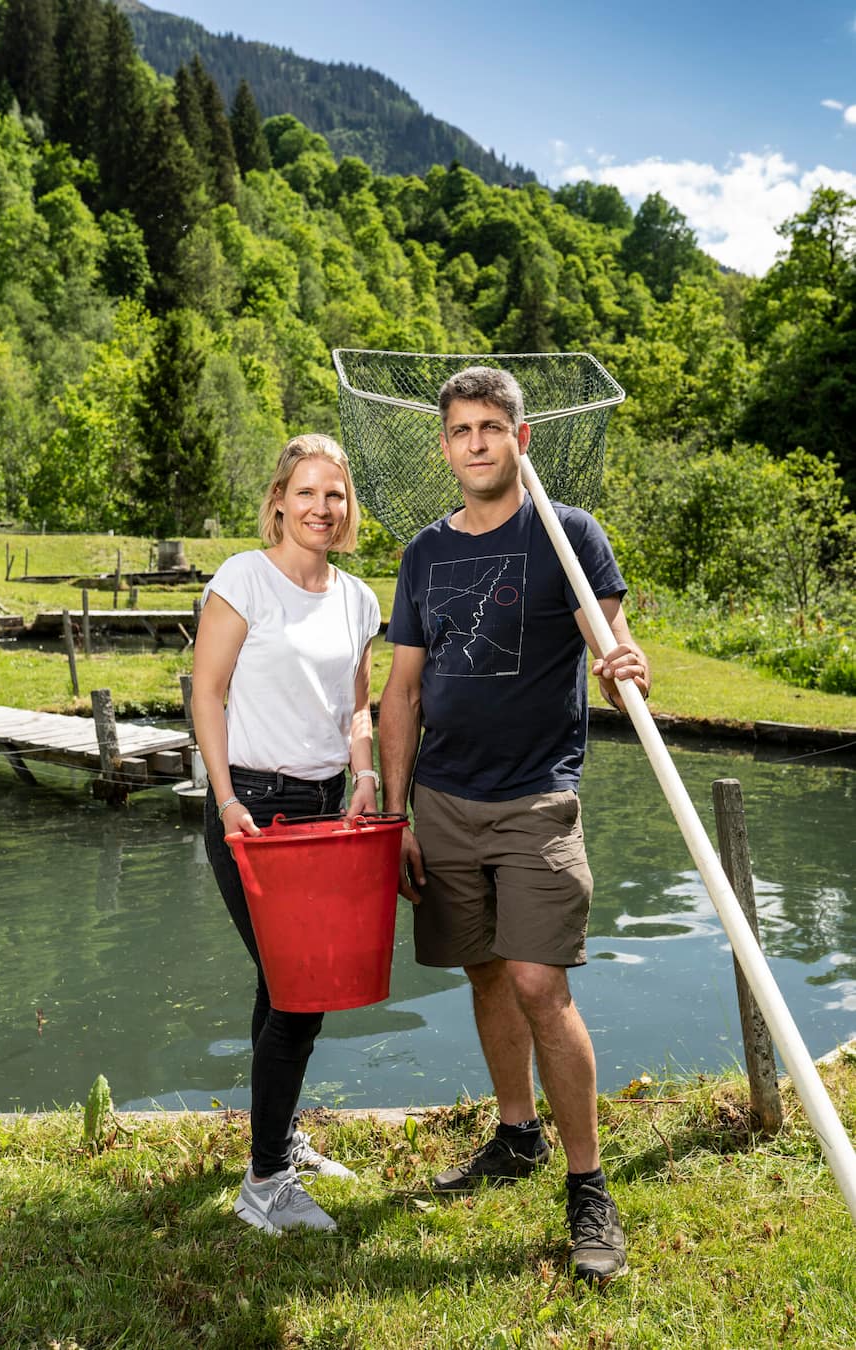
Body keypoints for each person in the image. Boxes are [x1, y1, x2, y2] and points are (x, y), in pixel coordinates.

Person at [378, 366, 649, 1284]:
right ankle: (514, 1136)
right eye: (461, 430)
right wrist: (394, 812)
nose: (477, 442)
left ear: (520, 439)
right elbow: (402, 692)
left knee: (540, 982)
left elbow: (608, 638)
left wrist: (624, 661)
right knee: (486, 971)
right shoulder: (423, 553)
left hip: (537, 796)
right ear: (445, 447)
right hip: (443, 800)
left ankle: (588, 1184)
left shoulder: (568, 535)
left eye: (493, 426)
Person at [192, 432, 381, 1234]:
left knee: (287, 989)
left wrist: (365, 775)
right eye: (306, 492)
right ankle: (265, 1181)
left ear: (347, 507)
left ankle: (274, 1145)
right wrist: (226, 797)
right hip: (252, 813)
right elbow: (206, 693)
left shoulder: (358, 599)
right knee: (300, 995)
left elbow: (358, 707)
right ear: (278, 500)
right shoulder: (244, 579)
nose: (320, 508)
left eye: (333, 495)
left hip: (326, 814)